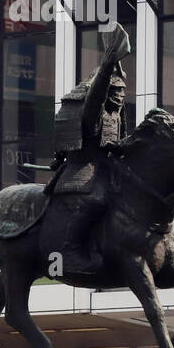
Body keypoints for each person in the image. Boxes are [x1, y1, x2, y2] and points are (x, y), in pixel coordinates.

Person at [44, 23, 131, 276]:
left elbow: (119, 143)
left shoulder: (118, 115)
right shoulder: (94, 113)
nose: (120, 96)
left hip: (109, 170)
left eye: (123, 92)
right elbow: (96, 98)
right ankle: (70, 249)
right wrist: (107, 66)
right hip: (83, 168)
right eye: (115, 92)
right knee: (95, 201)